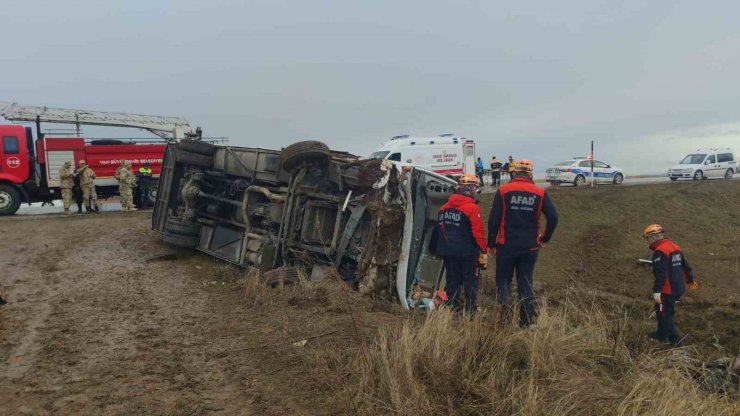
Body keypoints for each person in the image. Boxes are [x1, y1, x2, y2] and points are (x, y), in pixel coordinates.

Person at [487, 159, 558, 327]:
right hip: (530, 247)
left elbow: (493, 220)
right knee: (525, 283)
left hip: (506, 245)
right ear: (531, 174)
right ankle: (527, 323)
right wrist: (544, 239)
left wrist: (491, 243)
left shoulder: (503, 190)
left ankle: (504, 319)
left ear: (514, 173)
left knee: (503, 281)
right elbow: (554, 218)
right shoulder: (540, 192)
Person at [435, 173, 487, 312]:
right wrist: (484, 250)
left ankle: (453, 309)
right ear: (471, 189)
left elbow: (440, 230)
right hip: (467, 253)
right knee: (470, 281)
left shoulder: (443, 208)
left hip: (448, 251)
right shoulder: (472, 208)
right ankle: (471, 310)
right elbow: (478, 232)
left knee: (452, 280)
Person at [642, 224, 697, 347]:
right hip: (678, 287)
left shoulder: (660, 252)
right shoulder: (674, 247)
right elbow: (685, 266)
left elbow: (661, 274)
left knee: (665, 315)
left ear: (653, 237)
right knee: (661, 310)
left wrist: (657, 291)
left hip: (667, 290)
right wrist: (690, 280)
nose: (647, 241)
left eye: (647, 238)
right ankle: (661, 335)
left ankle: (676, 344)